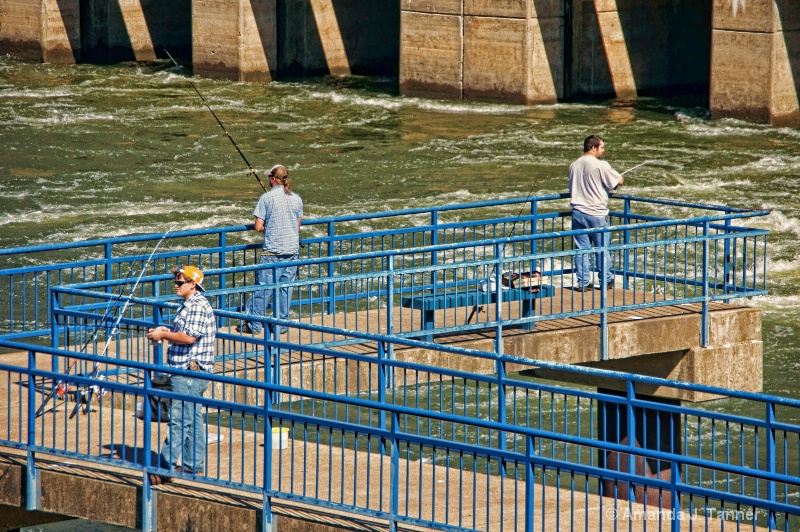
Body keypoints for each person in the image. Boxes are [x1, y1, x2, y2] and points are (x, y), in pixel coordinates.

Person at [146, 265, 216, 485]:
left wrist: (164, 335)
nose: (175, 285)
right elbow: (183, 334)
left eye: (180, 282)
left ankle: (165, 468)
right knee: (192, 418)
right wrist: (166, 331)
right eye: (175, 281)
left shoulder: (196, 306)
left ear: (193, 284)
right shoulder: (189, 304)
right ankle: (193, 466)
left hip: (189, 372)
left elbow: (188, 338)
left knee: (178, 420)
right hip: (188, 371)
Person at [239, 164, 303, 335]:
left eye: (269, 177)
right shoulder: (297, 198)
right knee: (285, 289)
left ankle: (254, 325)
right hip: (292, 251)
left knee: (263, 289)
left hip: (272, 252)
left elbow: (258, 226)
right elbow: (297, 225)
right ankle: (281, 325)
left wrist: (271, 226)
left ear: (273, 179)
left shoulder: (266, 198)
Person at [568, 135, 623, 292]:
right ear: (593, 147)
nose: (603, 151)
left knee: (581, 250)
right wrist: (621, 178)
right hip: (597, 214)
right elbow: (617, 182)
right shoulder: (600, 165)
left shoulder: (574, 165)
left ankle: (583, 282)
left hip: (578, 213)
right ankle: (606, 280)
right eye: (602, 147)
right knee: (602, 249)